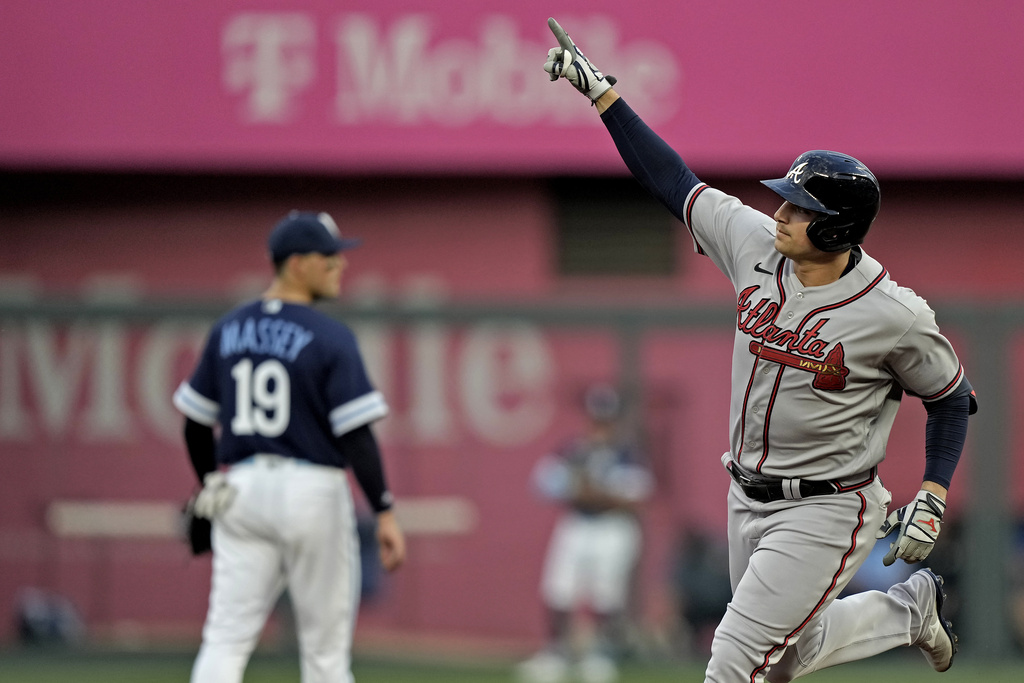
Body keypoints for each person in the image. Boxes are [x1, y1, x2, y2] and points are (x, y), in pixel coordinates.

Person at [541, 18, 977, 683]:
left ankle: (907, 611)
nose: (779, 212)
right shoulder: (752, 242)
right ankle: (909, 611)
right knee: (787, 658)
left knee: (733, 662)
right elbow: (673, 182)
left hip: (829, 505)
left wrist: (935, 490)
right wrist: (604, 97)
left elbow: (951, 398)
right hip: (746, 493)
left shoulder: (894, 313)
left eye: (799, 208)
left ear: (836, 226)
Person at [172, 211, 406, 683]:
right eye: (330, 257)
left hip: (240, 487)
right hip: (311, 487)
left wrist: (209, 482)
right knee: (325, 653)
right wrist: (383, 509)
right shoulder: (329, 336)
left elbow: (196, 423)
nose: (340, 266)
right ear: (297, 264)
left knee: (225, 639)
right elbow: (356, 435)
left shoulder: (229, 328)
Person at [517, 384, 654, 683]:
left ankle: (600, 655)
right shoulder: (574, 449)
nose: (600, 425)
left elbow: (634, 497)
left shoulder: (627, 453)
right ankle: (555, 653)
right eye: (596, 417)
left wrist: (586, 490)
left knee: (606, 596)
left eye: (607, 418)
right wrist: (593, 491)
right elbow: (543, 484)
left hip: (613, 528)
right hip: (578, 522)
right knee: (559, 589)